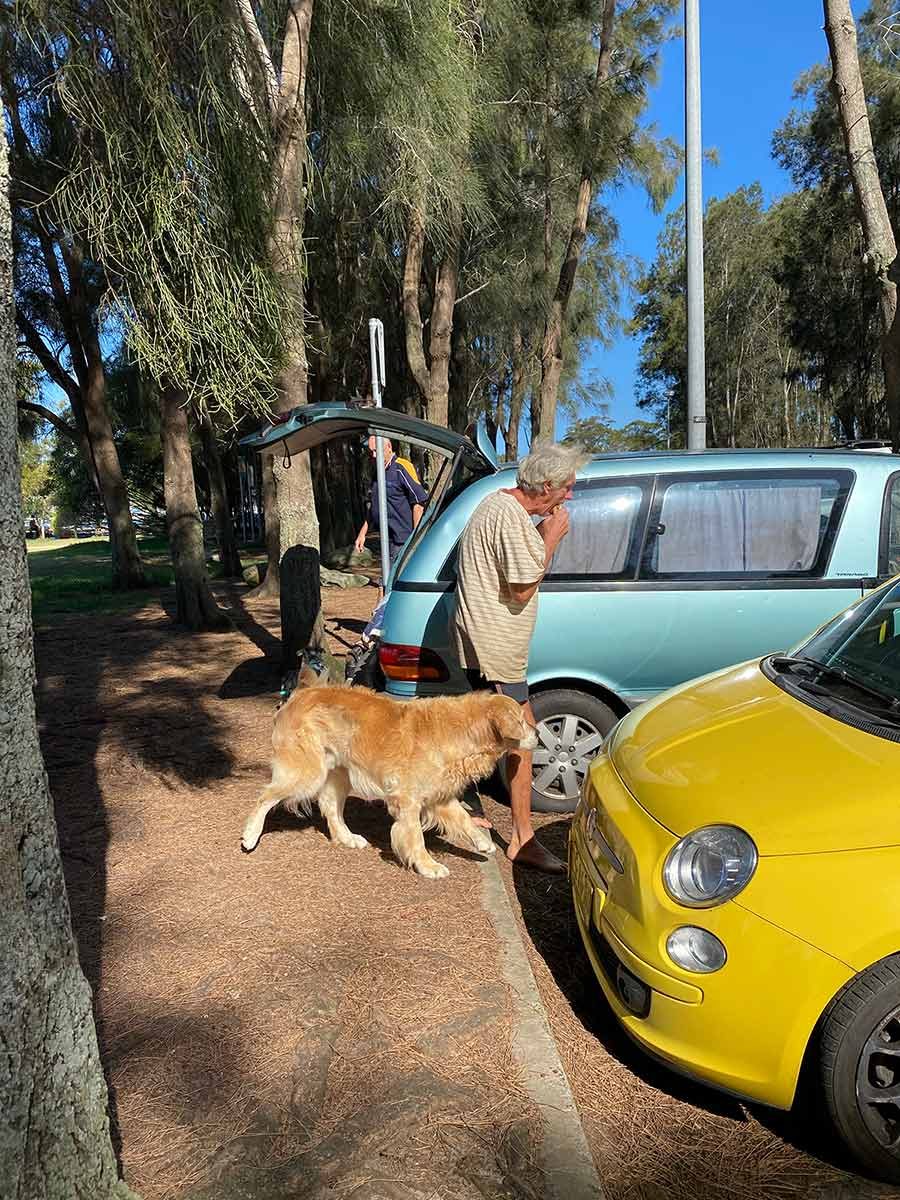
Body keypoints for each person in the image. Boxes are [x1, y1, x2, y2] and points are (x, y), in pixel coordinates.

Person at [451, 440, 588, 875]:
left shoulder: (499, 507)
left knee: (481, 737)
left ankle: (465, 813)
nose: (569, 495)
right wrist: (551, 537)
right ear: (546, 486)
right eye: (567, 487)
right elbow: (523, 586)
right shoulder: (509, 516)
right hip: (497, 650)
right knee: (522, 738)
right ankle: (522, 839)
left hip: (485, 644)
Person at [354, 436, 428, 594]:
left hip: (403, 539)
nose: (373, 456)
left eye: (376, 451)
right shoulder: (378, 472)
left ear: (388, 447)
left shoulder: (402, 467)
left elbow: (418, 502)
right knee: (385, 582)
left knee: (390, 584)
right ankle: (379, 616)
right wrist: (362, 533)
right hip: (386, 538)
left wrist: (416, 538)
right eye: (371, 452)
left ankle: (380, 615)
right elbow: (374, 507)